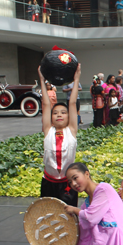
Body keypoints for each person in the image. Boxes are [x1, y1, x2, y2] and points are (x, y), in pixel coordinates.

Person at [37, 64, 80, 206]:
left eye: (63, 112)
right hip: (49, 181)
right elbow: (46, 104)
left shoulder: (71, 131)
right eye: (55, 113)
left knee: (69, 216)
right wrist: (42, 80)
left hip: (67, 183)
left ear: (69, 117)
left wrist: (76, 78)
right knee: (48, 214)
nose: (59, 115)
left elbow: (72, 103)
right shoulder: (48, 130)